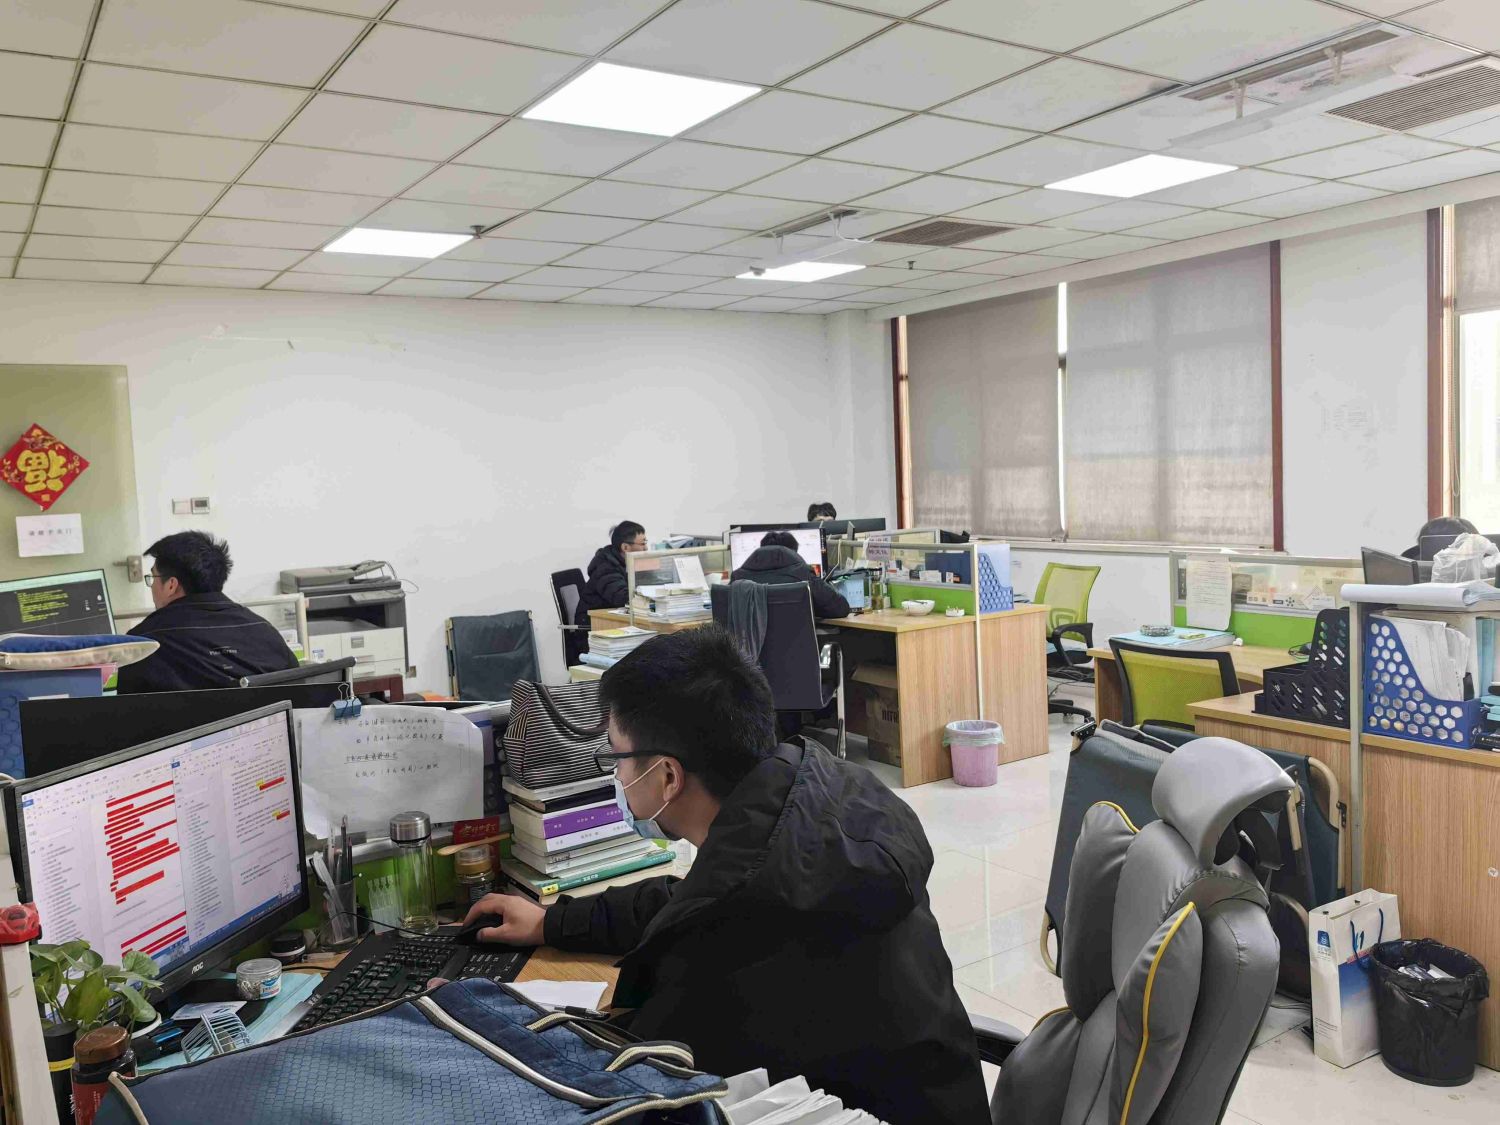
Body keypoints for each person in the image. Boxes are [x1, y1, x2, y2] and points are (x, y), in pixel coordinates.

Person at [462, 629, 988, 1124]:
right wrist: (551, 922)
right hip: (941, 1100)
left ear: (667, 775)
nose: (616, 775)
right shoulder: (809, 793)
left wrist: (472, 1017)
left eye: (616, 757)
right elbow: (685, 900)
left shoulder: (734, 924)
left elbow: (633, 1078)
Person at [116, 531, 299, 694]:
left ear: (171, 585)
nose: (152, 586)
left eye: (153, 577)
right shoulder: (266, 632)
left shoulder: (141, 645)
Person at [732, 530, 849, 620]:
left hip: (748, 645)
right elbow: (840, 608)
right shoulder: (803, 575)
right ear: (793, 553)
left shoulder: (737, 579)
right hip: (799, 644)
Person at [574, 521, 647, 630]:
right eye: (643, 544)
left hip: (613, 621)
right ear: (625, 547)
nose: (646, 548)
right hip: (594, 626)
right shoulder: (605, 567)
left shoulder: (623, 563)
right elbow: (622, 597)